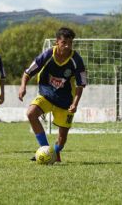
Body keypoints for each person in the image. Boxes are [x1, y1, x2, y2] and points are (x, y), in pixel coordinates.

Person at [18, 27, 87, 162]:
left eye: (70, 43)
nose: (67, 46)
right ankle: (45, 149)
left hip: (66, 101)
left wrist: (75, 103)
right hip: (47, 95)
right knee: (31, 113)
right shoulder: (47, 55)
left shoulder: (76, 60)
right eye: (64, 43)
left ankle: (55, 152)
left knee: (62, 139)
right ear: (57, 42)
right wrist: (23, 86)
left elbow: (80, 85)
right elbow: (28, 72)